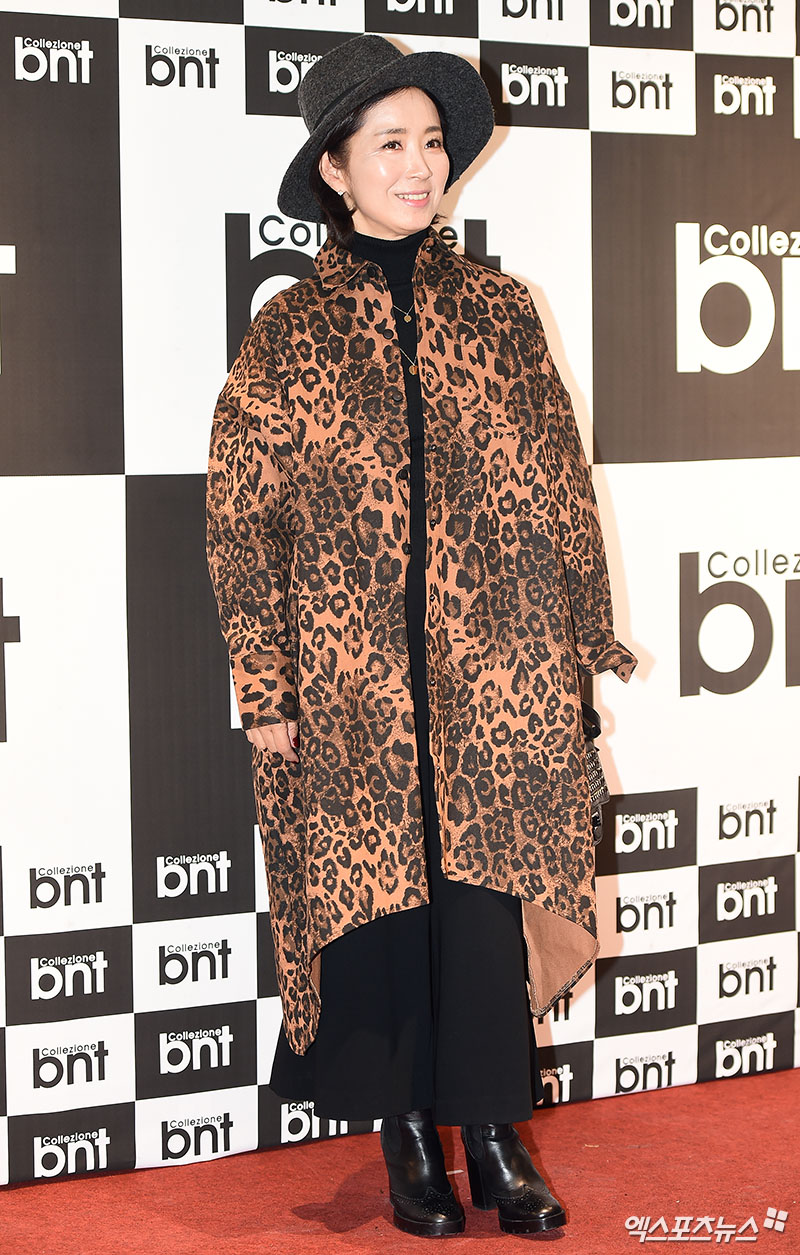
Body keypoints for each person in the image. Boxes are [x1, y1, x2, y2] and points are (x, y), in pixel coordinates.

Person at [206, 33, 637, 1240]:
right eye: (388, 143)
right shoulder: (289, 332)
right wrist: (266, 685)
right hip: (349, 685)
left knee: (480, 906)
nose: (417, 165)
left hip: (492, 671)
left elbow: (558, 489)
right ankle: (403, 1134)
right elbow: (240, 519)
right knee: (384, 912)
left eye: (431, 142)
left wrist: (575, 650)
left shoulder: (499, 312)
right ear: (334, 169)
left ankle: (493, 1131)